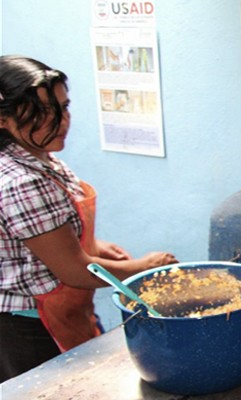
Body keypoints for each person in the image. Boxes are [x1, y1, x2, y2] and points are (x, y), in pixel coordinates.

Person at [0, 55, 178, 383]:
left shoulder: (44, 160)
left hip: (63, 310)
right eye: (41, 112)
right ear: (3, 119)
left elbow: (46, 237)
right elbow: (74, 269)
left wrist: (94, 245)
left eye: (63, 107)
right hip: (28, 325)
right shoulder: (20, 180)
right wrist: (145, 268)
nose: (60, 121)